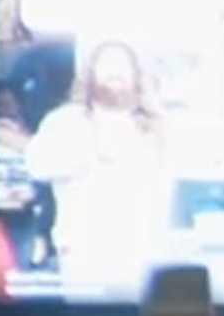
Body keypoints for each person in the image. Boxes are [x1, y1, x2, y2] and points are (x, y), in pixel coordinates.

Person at [22, 41, 172, 300]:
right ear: (90, 74)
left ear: (137, 76)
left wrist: (158, 117)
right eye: (108, 64)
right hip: (85, 257)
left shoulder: (151, 127)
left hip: (144, 257)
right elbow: (37, 165)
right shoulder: (64, 121)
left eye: (123, 65)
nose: (116, 72)